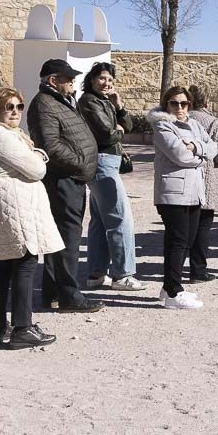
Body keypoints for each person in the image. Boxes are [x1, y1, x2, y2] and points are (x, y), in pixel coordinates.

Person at [0, 87, 60, 349]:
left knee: (4, 265)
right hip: (15, 206)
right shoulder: (2, 137)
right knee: (25, 262)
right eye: (9, 107)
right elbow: (37, 169)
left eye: (19, 106)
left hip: (0, 205)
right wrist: (39, 154)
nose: (16, 112)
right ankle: (23, 327)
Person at [27, 59, 104, 314]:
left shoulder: (59, 101)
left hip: (71, 178)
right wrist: (81, 164)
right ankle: (70, 296)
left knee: (61, 238)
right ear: (52, 80)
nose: (72, 82)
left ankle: (53, 294)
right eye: (67, 78)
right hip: (63, 179)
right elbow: (51, 146)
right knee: (67, 239)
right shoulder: (45, 104)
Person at [78, 62, 145, 291]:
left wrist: (119, 107)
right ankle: (123, 274)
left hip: (108, 163)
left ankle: (96, 274)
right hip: (102, 162)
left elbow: (128, 125)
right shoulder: (88, 101)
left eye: (110, 80)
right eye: (102, 78)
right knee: (120, 217)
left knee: (100, 220)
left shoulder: (105, 101)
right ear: (92, 79)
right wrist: (118, 130)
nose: (106, 83)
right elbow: (107, 134)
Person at [150, 87, 216, 308]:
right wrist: (201, 156)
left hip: (194, 191)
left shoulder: (196, 124)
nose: (179, 108)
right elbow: (179, 155)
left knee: (187, 240)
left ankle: (169, 284)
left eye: (184, 103)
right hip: (172, 192)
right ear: (165, 104)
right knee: (177, 241)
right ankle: (173, 291)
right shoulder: (162, 125)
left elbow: (213, 147)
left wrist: (196, 146)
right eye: (174, 103)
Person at [187, 85, 218, 281]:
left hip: (185, 180)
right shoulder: (214, 123)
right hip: (207, 178)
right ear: (207, 102)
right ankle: (198, 269)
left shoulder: (181, 120)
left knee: (185, 226)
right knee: (203, 225)